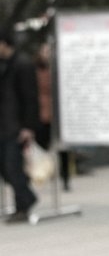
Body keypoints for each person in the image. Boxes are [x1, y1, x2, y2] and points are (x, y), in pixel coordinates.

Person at [0, 26, 39, 223]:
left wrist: (28, 127)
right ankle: (23, 201)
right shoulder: (5, 64)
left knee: (12, 166)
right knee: (7, 168)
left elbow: (30, 98)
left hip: (16, 126)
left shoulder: (23, 64)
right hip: (4, 125)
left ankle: (24, 203)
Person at [35, 41, 72, 191]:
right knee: (42, 146)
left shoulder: (60, 69)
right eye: (45, 51)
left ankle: (65, 178)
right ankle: (43, 174)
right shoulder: (37, 71)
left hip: (60, 113)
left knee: (63, 149)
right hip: (44, 112)